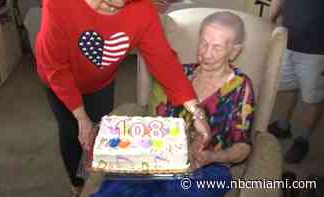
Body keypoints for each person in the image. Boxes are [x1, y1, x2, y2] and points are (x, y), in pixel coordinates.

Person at [35, 0, 210, 196]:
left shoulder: (142, 9)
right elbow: (56, 69)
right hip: (58, 80)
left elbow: (165, 63)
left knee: (100, 136)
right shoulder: (59, 4)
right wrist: (80, 116)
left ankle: (95, 181)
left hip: (101, 81)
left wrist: (196, 113)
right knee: (71, 132)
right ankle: (77, 185)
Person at [91, 11, 255, 197]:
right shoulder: (179, 74)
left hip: (210, 168)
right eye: (203, 43)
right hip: (160, 158)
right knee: (116, 189)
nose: (206, 53)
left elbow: (243, 146)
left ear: (234, 51)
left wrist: (211, 157)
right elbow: (156, 123)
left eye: (217, 48)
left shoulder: (241, 86)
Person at [268, 0, 324, 163]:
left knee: (312, 98)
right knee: (286, 87)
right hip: (287, 42)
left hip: (318, 50)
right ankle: (283, 126)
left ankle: (302, 139)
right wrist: (268, 23)